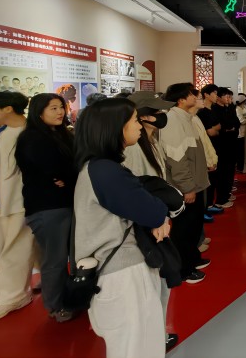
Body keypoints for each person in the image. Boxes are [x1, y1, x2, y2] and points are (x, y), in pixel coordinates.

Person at [73, 97, 169, 358]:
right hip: (122, 271)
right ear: (115, 127)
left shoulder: (99, 167)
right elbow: (152, 211)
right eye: (134, 120)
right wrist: (161, 215)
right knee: (136, 346)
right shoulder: (106, 171)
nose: (139, 126)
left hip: (118, 268)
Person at [122, 91, 182, 352]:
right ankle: (152, 339)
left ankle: (156, 334)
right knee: (151, 283)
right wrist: (156, 217)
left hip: (157, 219)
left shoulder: (150, 141)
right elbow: (137, 190)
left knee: (159, 282)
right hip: (147, 225)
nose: (162, 116)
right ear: (142, 116)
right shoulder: (133, 148)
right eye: (157, 112)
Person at [15, 93, 78, 322]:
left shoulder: (62, 134)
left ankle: (72, 297)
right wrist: (65, 177)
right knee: (55, 259)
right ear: (38, 112)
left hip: (65, 203)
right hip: (47, 207)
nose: (60, 112)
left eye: (61, 107)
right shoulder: (32, 138)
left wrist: (66, 178)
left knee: (68, 257)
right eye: (53, 108)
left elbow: (72, 167)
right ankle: (55, 306)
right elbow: (54, 168)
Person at [158, 83, 210, 284]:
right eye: (192, 94)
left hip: (195, 183)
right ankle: (183, 269)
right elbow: (177, 158)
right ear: (180, 99)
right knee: (184, 229)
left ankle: (192, 259)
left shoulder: (187, 118)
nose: (196, 97)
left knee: (194, 226)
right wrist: (187, 187)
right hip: (186, 187)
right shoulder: (173, 120)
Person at [0, 92, 35, 320]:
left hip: (19, 202)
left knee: (15, 250)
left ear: (8, 108)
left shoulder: (28, 134)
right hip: (5, 202)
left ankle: (13, 295)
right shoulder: (4, 134)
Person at [196, 84, 225, 214]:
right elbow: (210, 132)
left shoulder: (212, 109)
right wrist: (216, 129)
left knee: (214, 178)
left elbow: (219, 126)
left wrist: (216, 129)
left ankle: (209, 204)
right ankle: (205, 206)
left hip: (216, 146)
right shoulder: (202, 112)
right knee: (209, 178)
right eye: (214, 93)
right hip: (208, 147)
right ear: (206, 95)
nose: (216, 96)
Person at [213, 87, 239, 206]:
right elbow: (222, 126)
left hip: (231, 142)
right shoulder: (214, 109)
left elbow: (236, 123)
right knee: (222, 171)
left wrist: (231, 127)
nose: (229, 99)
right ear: (218, 97)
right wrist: (228, 128)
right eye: (226, 96)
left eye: (230, 96)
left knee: (230, 169)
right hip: (222, 144)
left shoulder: (229, 108)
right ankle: (221, 198)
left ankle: (227, 193)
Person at [235, 94, 246, 174]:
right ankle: (240, 167)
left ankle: (243, 167)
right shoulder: (238, 109)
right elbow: (241, 121)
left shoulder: (245, 107)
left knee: (244, 151)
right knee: (240, 152)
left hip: (245, 132)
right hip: (240, 133)